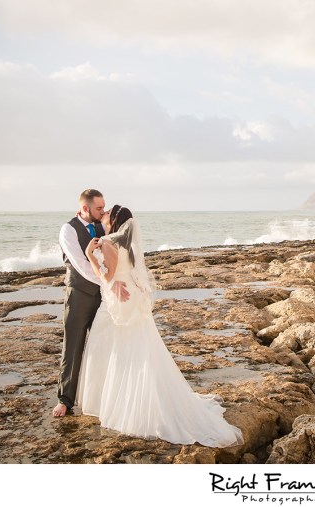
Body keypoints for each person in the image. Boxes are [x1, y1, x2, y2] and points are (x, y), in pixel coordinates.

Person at [76, 204, 243, 448]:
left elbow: (108, 276)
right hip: (131, 296)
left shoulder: (109, 242)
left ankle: (111, 402)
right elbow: (129, 271)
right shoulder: (128, 243)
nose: (104, 215)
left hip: (117, 300)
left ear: (114, 221)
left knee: (111, 348)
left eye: (108, 213)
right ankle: (132, 398)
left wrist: (90, 255)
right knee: (137, 349)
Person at [53, 189, 129, 418]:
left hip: (104, 297)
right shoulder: (68, 230)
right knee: (73, 346)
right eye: (99, 208)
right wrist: (110, 282)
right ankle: (65, 399)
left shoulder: (102, 226)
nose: (103, 211)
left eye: (104, 207)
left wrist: (111, 283)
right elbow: (81, 265)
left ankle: (104, 396)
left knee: (102, 346)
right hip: (79, 294)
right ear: (85, 208)